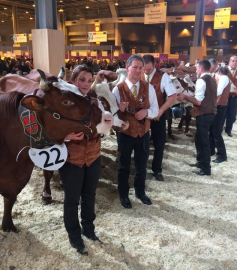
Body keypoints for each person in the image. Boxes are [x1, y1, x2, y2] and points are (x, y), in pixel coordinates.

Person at [58, 65, 103, 255]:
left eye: (89, 80)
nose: (85, 84)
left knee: (89, 195)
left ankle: (88, 229)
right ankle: (74, 235)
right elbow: (51, 128)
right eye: (82, 79)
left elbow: (103, 126)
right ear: (73, 79)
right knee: (71, 200)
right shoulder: (63, 102)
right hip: (71, 159)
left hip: (93, 156)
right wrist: (67, 136)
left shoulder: (95, 102)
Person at [112, 54, 159, 208]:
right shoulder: (117, 90)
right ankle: (123, 194)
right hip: (125, 134)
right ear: (127, 69)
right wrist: (119, 110)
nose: (139, 70)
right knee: (124, 165)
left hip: (143, 133)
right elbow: (111, 115)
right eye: (135, 67)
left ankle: (140, 191)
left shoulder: (149, 87)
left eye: (140, 67)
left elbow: (155, 109)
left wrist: (146, 113)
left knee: (142, 164)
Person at [177, 60, 217, 176]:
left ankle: (206, 168)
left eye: (196, 68)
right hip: (211, 113)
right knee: (199, 139)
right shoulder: (212, 80)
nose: (196, 70)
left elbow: (198, 101)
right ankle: (200, 162)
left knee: (203, 142)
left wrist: (185, 96)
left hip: (204, 113)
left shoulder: (201, 81)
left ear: (201, 69)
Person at [143, 54, 176, 181]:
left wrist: (161, 111)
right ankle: (141, 168)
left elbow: (172, 96)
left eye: (148, 70)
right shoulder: (139, 75)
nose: (146, 72)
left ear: (154, 65)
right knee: (142, 144)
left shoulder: (163, 77)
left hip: (158, 116)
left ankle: (157, 169)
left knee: (159, 144)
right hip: (143, 116)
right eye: (143, 69)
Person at [209, 66, 231, 163]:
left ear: (218, 72)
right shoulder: (225, 78)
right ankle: (210, 150)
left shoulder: (223, 78)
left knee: (216, 131)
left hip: (220, 107)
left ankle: (222, 155)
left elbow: (218, 92)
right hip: (218, 106)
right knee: (212, 130)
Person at [223, 55, 237, 137]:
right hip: (223, 96)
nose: (235, 63)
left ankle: (228, 130)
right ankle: (220, 128)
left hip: (233, 96)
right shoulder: (224, 69)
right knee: (222, 113)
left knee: (231, 114)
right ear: (229, 62)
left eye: (236, 61)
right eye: (233, 61)